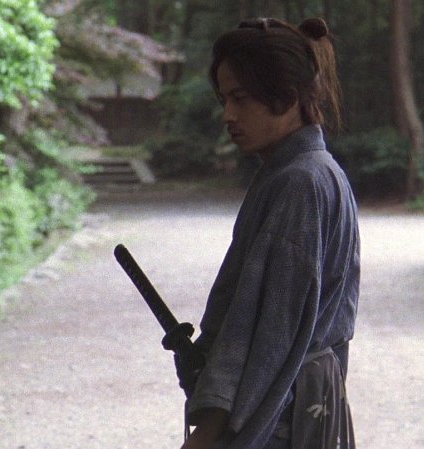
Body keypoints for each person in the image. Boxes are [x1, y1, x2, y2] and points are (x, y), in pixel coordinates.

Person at [177, 17, 360, 449]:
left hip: (280, 418)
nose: (228, 115)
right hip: (299, 408)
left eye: (241, 98)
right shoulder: (306, 173)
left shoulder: (301, 183)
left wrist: (208, 432)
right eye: (224, 99)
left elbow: (268, 337)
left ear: (288, 97)